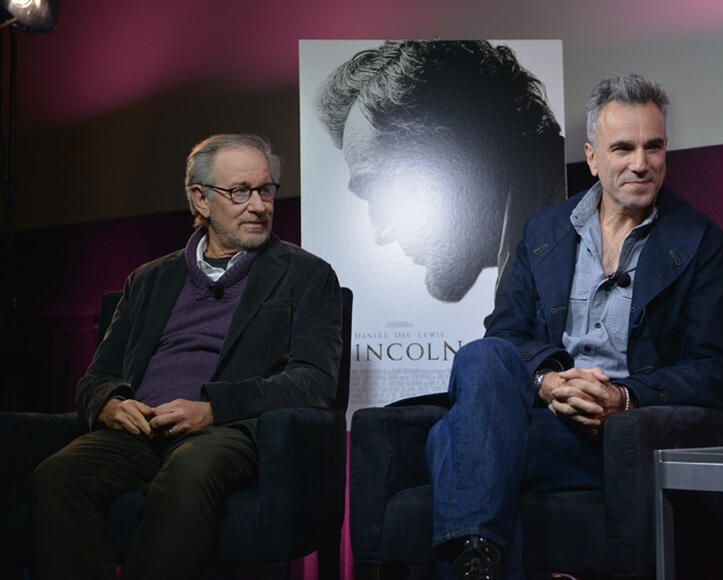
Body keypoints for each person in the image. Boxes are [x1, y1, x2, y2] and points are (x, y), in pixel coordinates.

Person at [424, 74, 723, 578]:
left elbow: (718, 370)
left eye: (654, 146)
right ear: (592, 157)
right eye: (623, 148)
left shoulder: (702, 241)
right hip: (543, 415)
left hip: (620, 436)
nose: (641, 163)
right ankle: (480, 564)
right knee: (480, 355)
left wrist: (623, 397)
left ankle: (478, 559)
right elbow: (505, 336)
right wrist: (548, 382)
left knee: (450, 441)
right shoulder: (544, 230)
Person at [28, 134, 343, 579]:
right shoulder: (149, 279)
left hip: (227, 431)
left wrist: (213, 409)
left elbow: (314, 381)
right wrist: (110, 403)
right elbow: (96, 378)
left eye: (266, 190)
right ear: (200, 199)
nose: (259, 206)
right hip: (140, 430)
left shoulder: (307, 275)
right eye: (240, 192)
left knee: (189, 469)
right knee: (56, 477)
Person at [316, 40, 566, 303]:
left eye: (380, 189)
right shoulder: (543, 253)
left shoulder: (571, 243)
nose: (382, 234)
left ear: (457, 151)